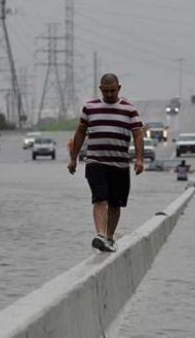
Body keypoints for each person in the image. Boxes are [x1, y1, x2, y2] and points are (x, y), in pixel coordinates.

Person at [68, 73, 144, 253]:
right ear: (101, 89)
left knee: (115, 204)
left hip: (120, 164)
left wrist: (140, 158)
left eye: (113, 91)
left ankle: (109, 237)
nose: (109, 94)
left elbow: (138, 134)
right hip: (96, 162)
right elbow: (80, 132)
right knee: (100, 198)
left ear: (119, 88)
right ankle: (100, 234)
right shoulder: (90, 108)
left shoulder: (129, 109)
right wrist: (74, 158)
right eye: (106, 91)